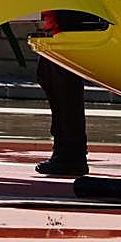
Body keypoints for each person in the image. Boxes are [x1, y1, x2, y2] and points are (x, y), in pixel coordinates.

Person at [34, 10, 88, 176]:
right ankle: (66, 151)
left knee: (64, 89)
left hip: (64, 27)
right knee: (49, 78)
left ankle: (70, 154)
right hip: (59, 27)